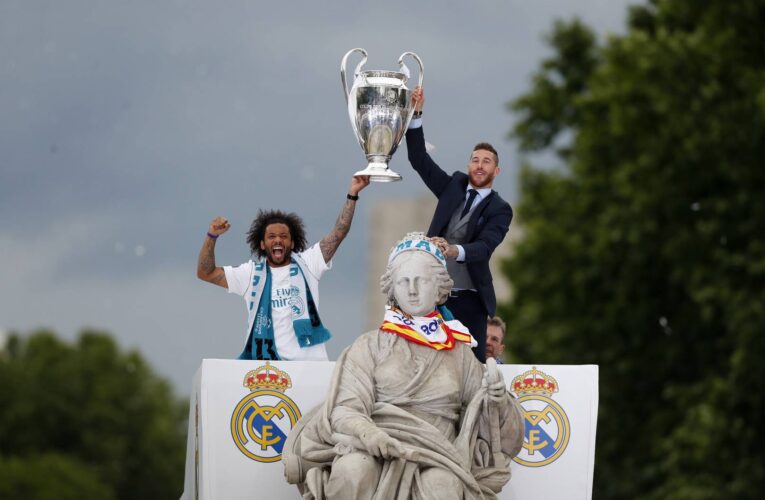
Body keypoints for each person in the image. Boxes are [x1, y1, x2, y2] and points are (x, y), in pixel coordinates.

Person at [283, 232, 524, 500]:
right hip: (372, 446)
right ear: (393, 288)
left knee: (442, 487)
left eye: (421, 280)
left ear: (440, 287)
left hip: (437, 455)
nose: (411, 289)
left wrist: (498, 401)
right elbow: (345, 410)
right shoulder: (368, 346)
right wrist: (370, 434)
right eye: (403, 281)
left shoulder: (460, 354)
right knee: (353, 470)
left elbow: (490, 424)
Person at [196, 175, 370, 360]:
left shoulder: (308, 263)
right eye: (271, 236)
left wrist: (352, 194)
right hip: (267, 371)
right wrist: (212, 236)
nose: (278, 239)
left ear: (292, 243)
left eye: (283, 236)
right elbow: (205, 273)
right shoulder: (250, 273)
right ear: (262, 244)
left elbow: (339, 232)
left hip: (309, 370)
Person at [404, 86, 513, 363]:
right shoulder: (453, 185)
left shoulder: (500, 209)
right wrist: (416, 113)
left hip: (470, 297)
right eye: (475, 160)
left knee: (470, 367)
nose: (479, 165)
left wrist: (453, 250)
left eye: (486, 162)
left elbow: (484, 247)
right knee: (425, 360)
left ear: (495, 171)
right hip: (435, 294)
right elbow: (419, 160)